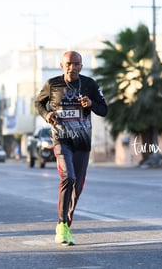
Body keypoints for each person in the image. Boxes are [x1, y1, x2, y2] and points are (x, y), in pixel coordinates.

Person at [35, 51, 108, 246]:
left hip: (82, 143)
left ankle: (67, 224)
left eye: (76, 64)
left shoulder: (90, 84)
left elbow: (104, 109)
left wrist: (91, 103)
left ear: (81, 66)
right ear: (62, 65)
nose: (72, 67)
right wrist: (47, 114)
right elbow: (39, 103)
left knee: (78, 187)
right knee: (69, 177)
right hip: (62, 140)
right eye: (68, 64)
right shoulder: (52, 84)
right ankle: (61, 225)